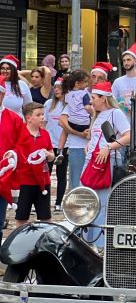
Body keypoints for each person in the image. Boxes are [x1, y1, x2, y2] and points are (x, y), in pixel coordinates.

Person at [82, 81, 131, 249]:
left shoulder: (115, 113)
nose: (91, 101)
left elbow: (128, 135)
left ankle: (100, 245)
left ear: (103, 98)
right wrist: (89, 146)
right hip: (92, 162)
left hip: (107, 162)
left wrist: (109, 147)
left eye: (94, 98)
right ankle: (88, 240)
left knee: (101, 203)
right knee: (87, 201)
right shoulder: (98, 115)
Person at [12, 102, 55, 228]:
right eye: (38, 115)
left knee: (45, 216)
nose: (42, 117)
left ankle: (47, 241)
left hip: (43, 180)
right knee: (22, 216)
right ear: (29, 118)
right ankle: (19, 241)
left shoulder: (45, 134)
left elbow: (52, 156)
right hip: (25, 181)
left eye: (43, 114)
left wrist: (48, 154)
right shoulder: (20, 133)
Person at [0, 78, 26, 245]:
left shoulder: (14, 118)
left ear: (3, 95)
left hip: (2, 176)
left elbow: (23, 143)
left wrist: (15, 155)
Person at [59, 69, 92, 190]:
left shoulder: (68, 95)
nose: (88, 83)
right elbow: (62, 122)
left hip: (95, 146)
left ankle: (60, 150)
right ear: (79, 83)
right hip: (78, 146)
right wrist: (80, 134)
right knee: (77, 180)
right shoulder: (84, 94)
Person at [45, 79, 67, 211]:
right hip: (49, 143)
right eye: (55, 87)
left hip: (64, 144)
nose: (56, 90)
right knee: (45, 174)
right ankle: (44, 200)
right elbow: (43, 122)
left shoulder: (68, 105)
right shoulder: (49, 104)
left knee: (61, 174)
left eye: (59, 87)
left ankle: (58, 202)